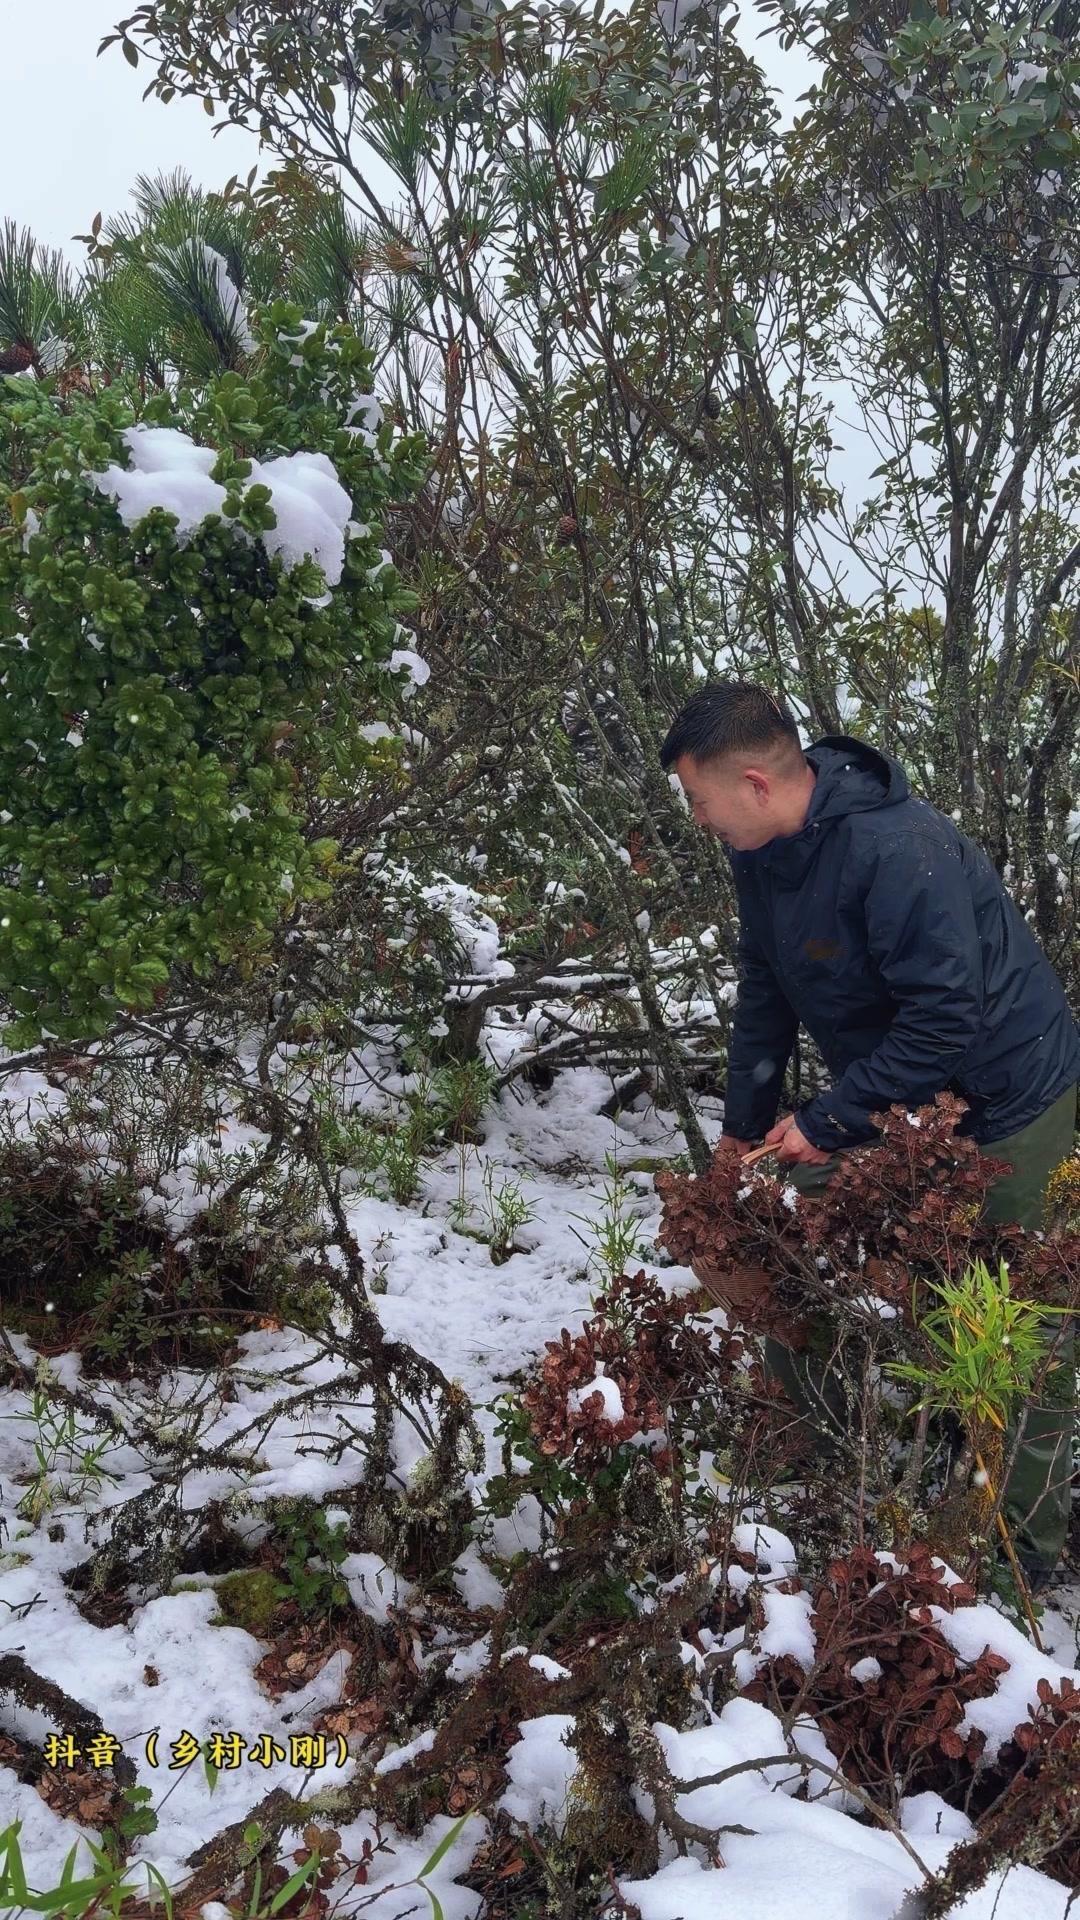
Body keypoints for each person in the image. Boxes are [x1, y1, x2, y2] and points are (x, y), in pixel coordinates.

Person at [659, 681, 1080, 1586]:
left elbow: (946, 1021)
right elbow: (766, 990)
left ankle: (1021, 1553)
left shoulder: (895, 849)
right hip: (902, 1100)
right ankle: (805, 1450)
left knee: (1018, 1326)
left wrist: (827, 1118)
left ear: (757, 785)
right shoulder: (762, 851)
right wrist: (739, 1138)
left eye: (699, 798)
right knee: (787, 1230)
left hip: (1011, 1098)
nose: (697, 817)